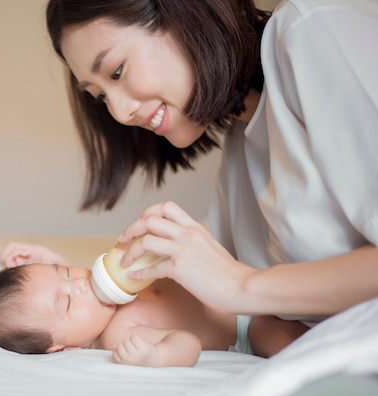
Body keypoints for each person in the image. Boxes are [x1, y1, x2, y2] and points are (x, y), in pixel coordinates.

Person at [44, 0, 378, 322]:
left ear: (182, 14)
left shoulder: (311, 31)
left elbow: (232, 286)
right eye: (101, 97)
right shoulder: (242, 152)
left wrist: (242, 286)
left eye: (116, 71)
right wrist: (77, 285)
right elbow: (211, 291)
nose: (119, 112)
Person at [0, 243, 308, 367]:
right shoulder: (117, 335)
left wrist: (47, 260)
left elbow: (75, 284)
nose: (80, 282)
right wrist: (157, 357)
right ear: (61, 348)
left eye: (66, 271)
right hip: (243, 325)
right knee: (295, 343)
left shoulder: (101, 293)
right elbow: (186, 344)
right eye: (68, 301)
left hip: (240, 277)